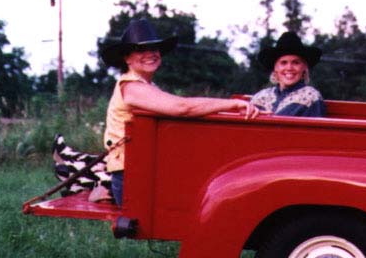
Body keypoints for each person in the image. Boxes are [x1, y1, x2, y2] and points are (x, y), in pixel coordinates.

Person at [101, 18, 259, 205]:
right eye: (141, 50)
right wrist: (233, 105)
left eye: (154, 48)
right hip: (131, 175)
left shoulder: (148, 86)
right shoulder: (131, 87)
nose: (150, 54)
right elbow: (182, 108)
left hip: (143, 171)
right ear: (127, 58)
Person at [250, 31, 326, 117]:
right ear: (275, 68)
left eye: (296, 63)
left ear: (304, 67)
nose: (289, 68)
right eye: (283, 63)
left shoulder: (311, 97)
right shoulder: (261, 97)